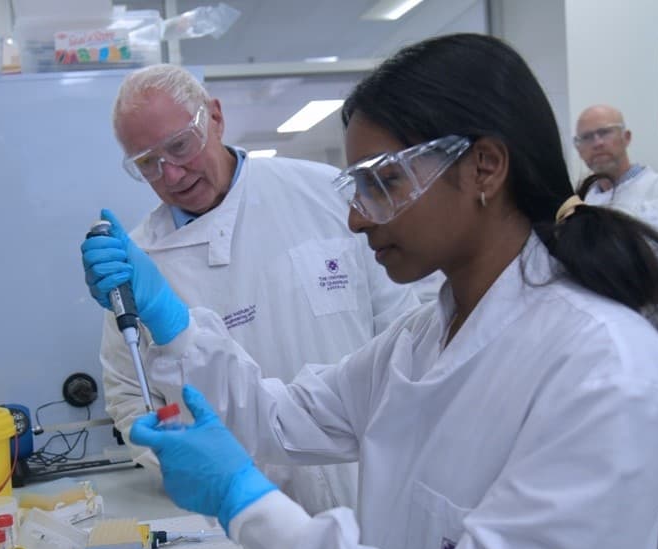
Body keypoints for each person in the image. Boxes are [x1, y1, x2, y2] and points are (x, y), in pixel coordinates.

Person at [82, 33, 658, 549]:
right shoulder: (424, 336)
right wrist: (172, 324)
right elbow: (283, 417)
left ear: (484, 167)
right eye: (357, 187)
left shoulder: (600, 368)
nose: (357, 217)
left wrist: (246, 502)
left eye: (383, 183)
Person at [86, 64, 419, 515]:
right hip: (237, 516)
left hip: (373, 489)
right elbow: (130, 398)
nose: (173, 175)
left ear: (215, 116)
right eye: (148, 164)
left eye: (180, 146)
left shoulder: (325, 196)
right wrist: (187, 467)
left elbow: (403, 334)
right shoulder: (140, 265)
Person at [574, 103, 658, 216]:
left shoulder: (657, 188)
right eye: (587, 137)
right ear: (579, 150)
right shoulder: (581, 204)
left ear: (626, 137)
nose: (597, 143)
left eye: (604, 132)